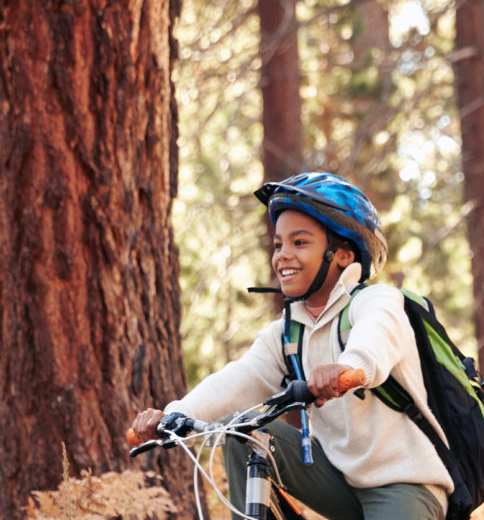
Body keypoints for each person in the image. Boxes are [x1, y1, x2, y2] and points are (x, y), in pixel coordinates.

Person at [131, 172, 450, 520]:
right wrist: (176, 414)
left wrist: (348, 369)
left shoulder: (375, 300)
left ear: (342, 255)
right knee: (244, 432)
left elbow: (375, 339)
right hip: (339, 482)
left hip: (403, 484)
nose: (283, 255)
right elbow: (241, 377)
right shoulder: (287, 332)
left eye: (300, 243)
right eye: (279, 244)